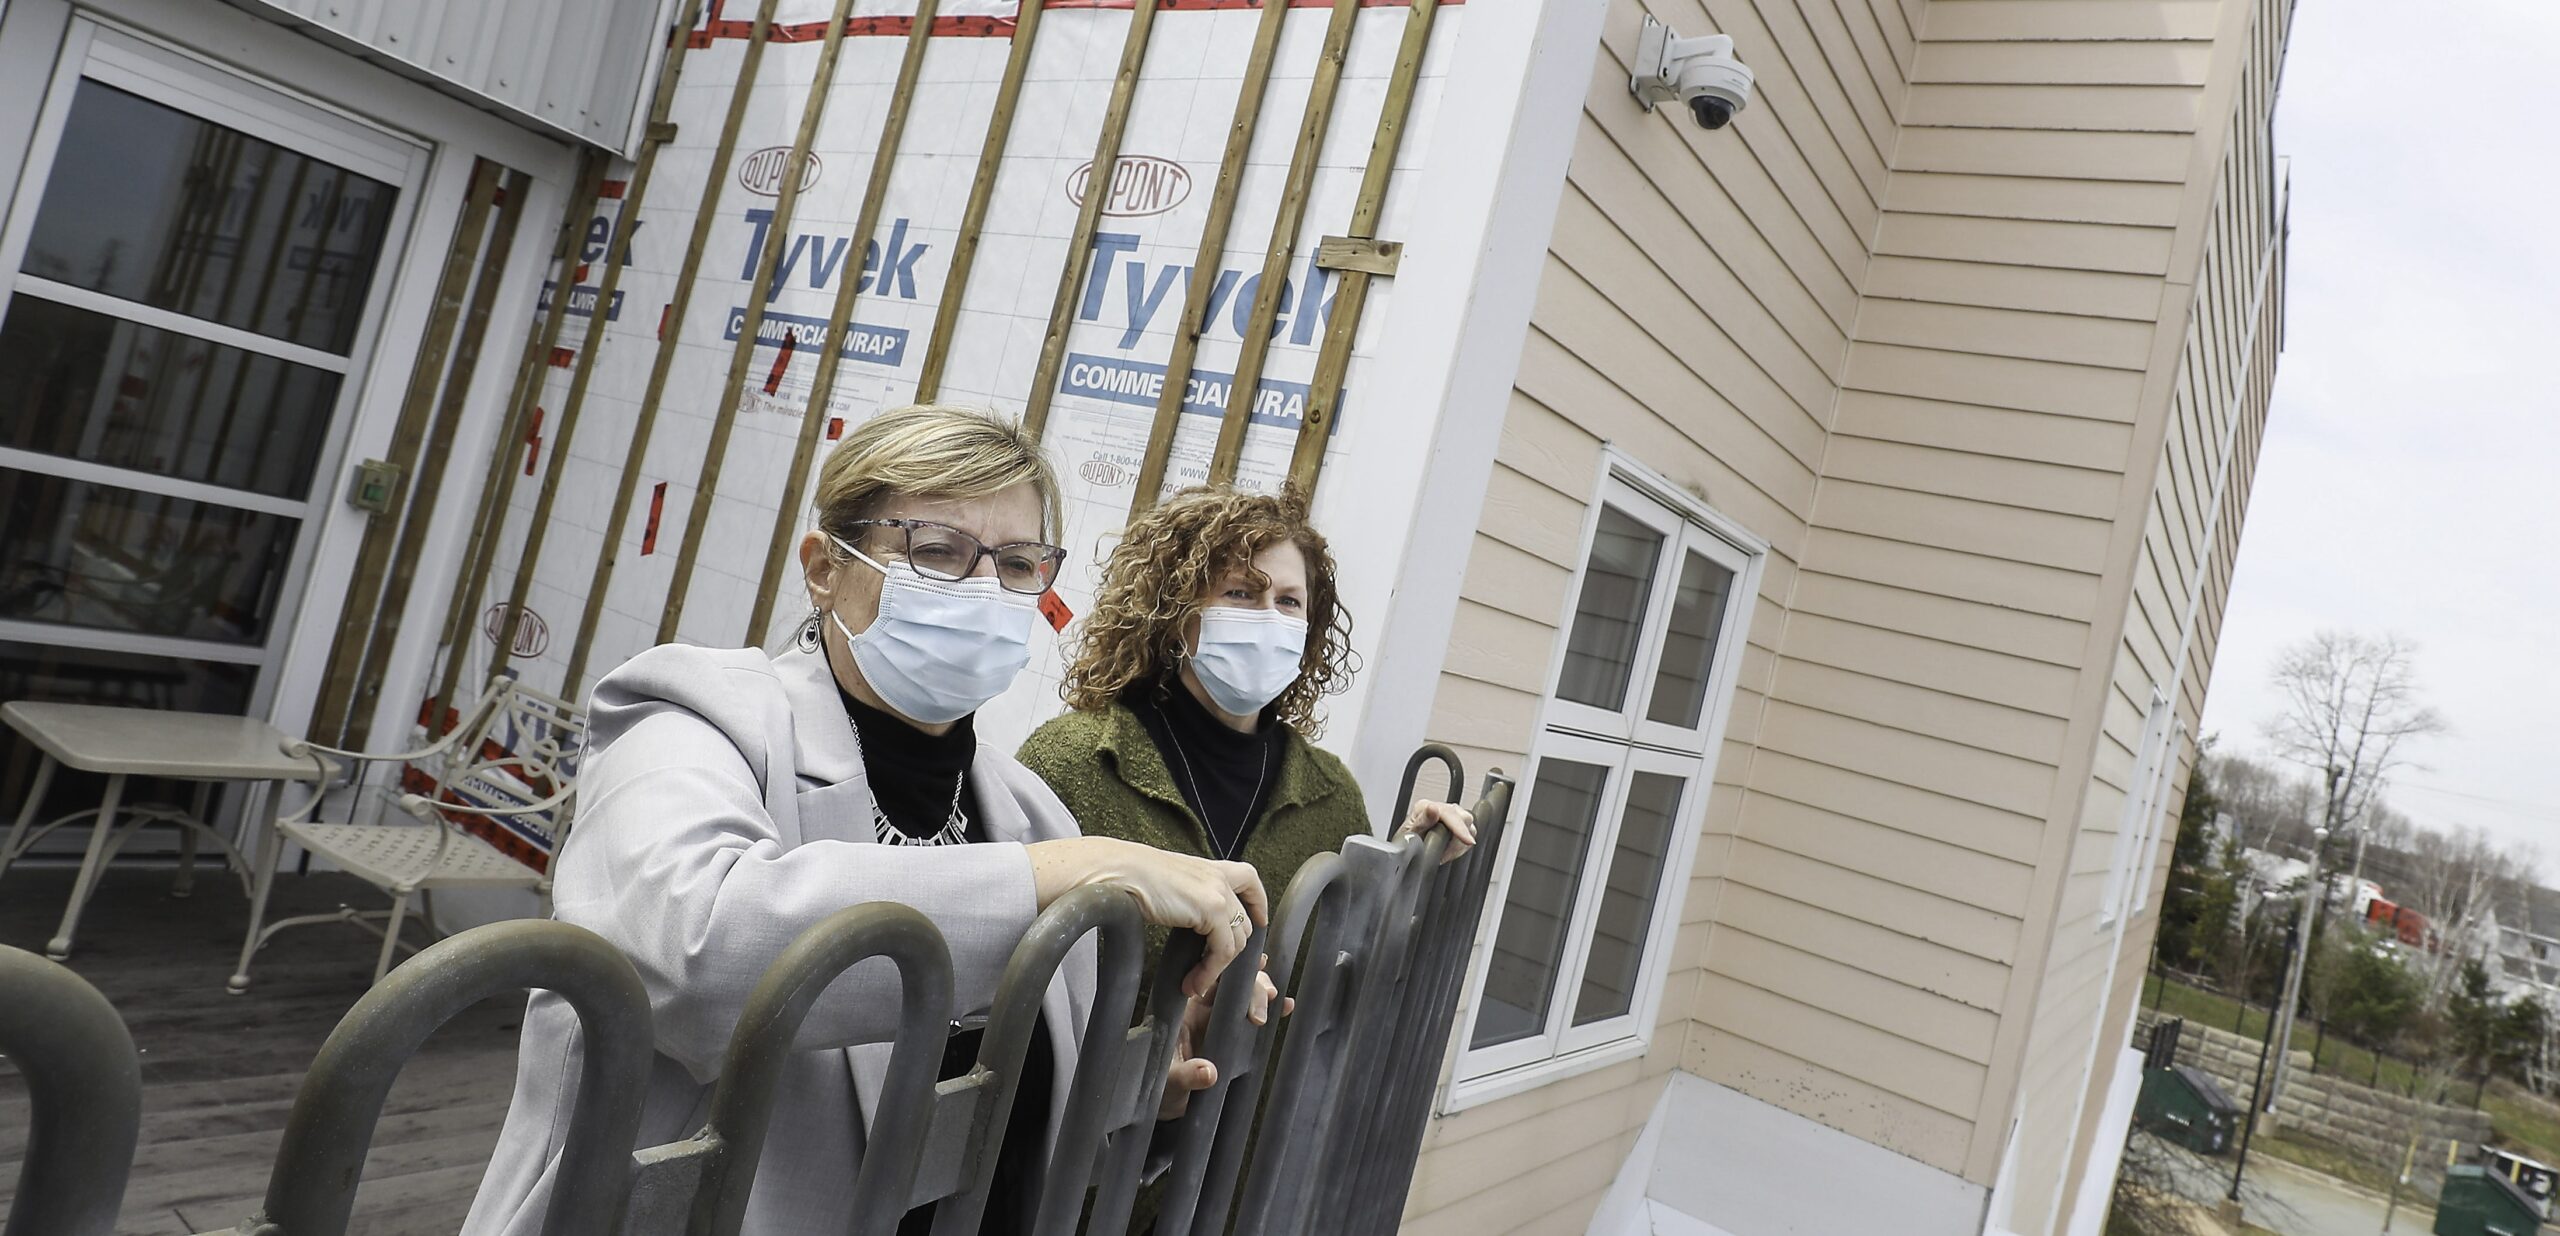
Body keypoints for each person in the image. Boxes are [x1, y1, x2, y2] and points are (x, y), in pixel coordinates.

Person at [463, 406, 1272, 1236]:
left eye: (1018, 563)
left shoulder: (1026, 810)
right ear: (825, 569)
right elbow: (695, 956)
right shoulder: (694, 718)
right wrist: (1056, 875)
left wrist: (1157, 1078)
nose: (983, 590)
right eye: (935, 551)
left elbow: (1010, 1135)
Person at [1018, 483, 1475, 948]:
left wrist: (1407, 856)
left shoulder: (1331, 795)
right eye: (1241, 593)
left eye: (1289, 601)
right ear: (1177, 613)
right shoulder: (1072, 761)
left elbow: (1348, 949)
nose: (1270, 619)